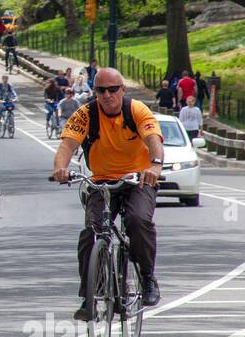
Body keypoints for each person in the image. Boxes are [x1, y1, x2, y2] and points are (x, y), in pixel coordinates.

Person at [52, 68, 166, 319]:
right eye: (100, 90)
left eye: (112, 89)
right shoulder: (86, 114)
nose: (107, 95)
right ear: (95, 92)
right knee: (91, 232)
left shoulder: (137, 110)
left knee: (138, 220)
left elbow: (154, 141)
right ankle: (88, 296)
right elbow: (67, 145)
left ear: (122, 90)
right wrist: (60, 168)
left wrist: (155, 166)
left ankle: (147, 277)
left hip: (137, 180)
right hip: (101, 181)